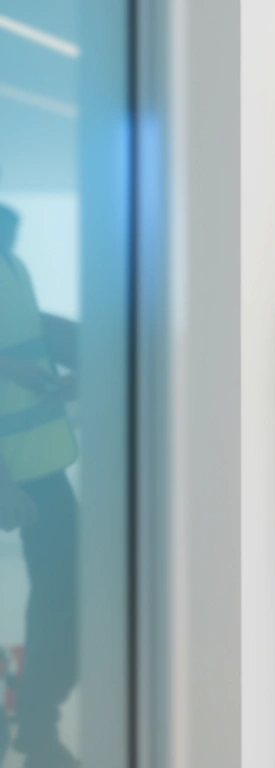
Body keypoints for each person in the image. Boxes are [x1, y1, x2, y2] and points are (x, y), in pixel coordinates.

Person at [0, 203, 81, 768]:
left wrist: (84, 369)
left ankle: (34, 719)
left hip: (40, 466)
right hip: (14, 476)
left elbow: (33, 334)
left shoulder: (14, 268)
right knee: (59, 595)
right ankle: (34, 724)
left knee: (64, 593)